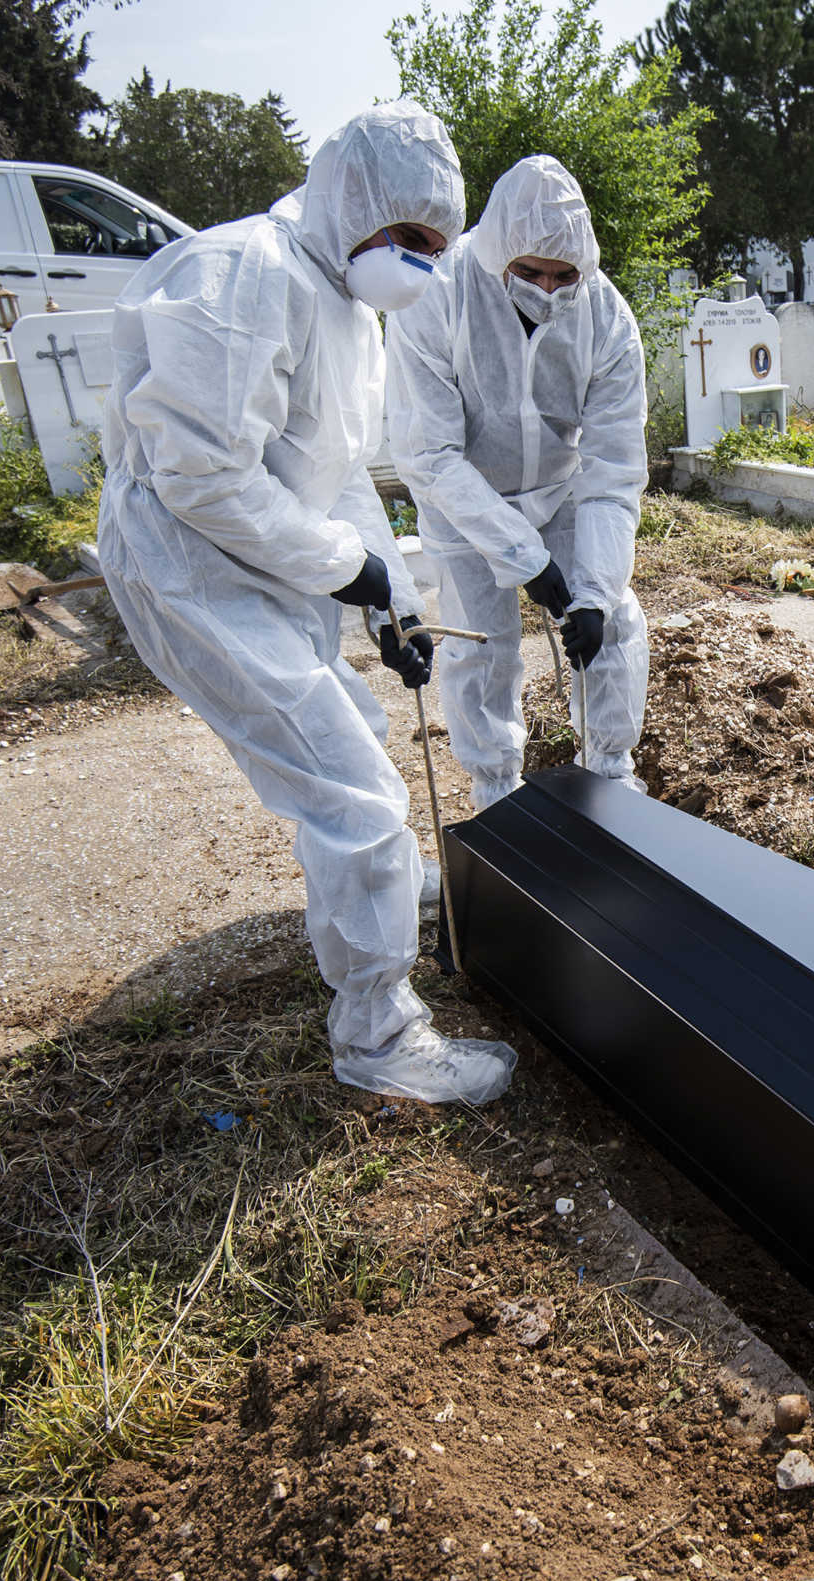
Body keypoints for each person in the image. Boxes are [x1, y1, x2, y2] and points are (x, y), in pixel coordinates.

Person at [95, 102, 517, 1107]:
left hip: (263, 564)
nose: (419, 262)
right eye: (409, 237)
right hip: (194, 572)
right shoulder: (243, 275)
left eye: (436, 246)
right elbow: (200, 475)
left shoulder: (345, 310)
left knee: (357, 739)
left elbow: (338, 477)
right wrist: (349, 572)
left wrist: (393, 599)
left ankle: (372, 898)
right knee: (354, 796)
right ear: (352, 201)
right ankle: (377, 1036)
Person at [385, 154, 649, 811]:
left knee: (610, 623)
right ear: (498, 253)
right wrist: (524, 559)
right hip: (462, 498)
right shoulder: (436, 298)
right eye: (529, 272)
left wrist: (591, 591)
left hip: (558, 491)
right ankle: (497, 792)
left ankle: (612, 773)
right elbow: (432, 453)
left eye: (564, 276)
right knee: (482, 649)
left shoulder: (607, 320)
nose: (547, 289)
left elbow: (614, 469)